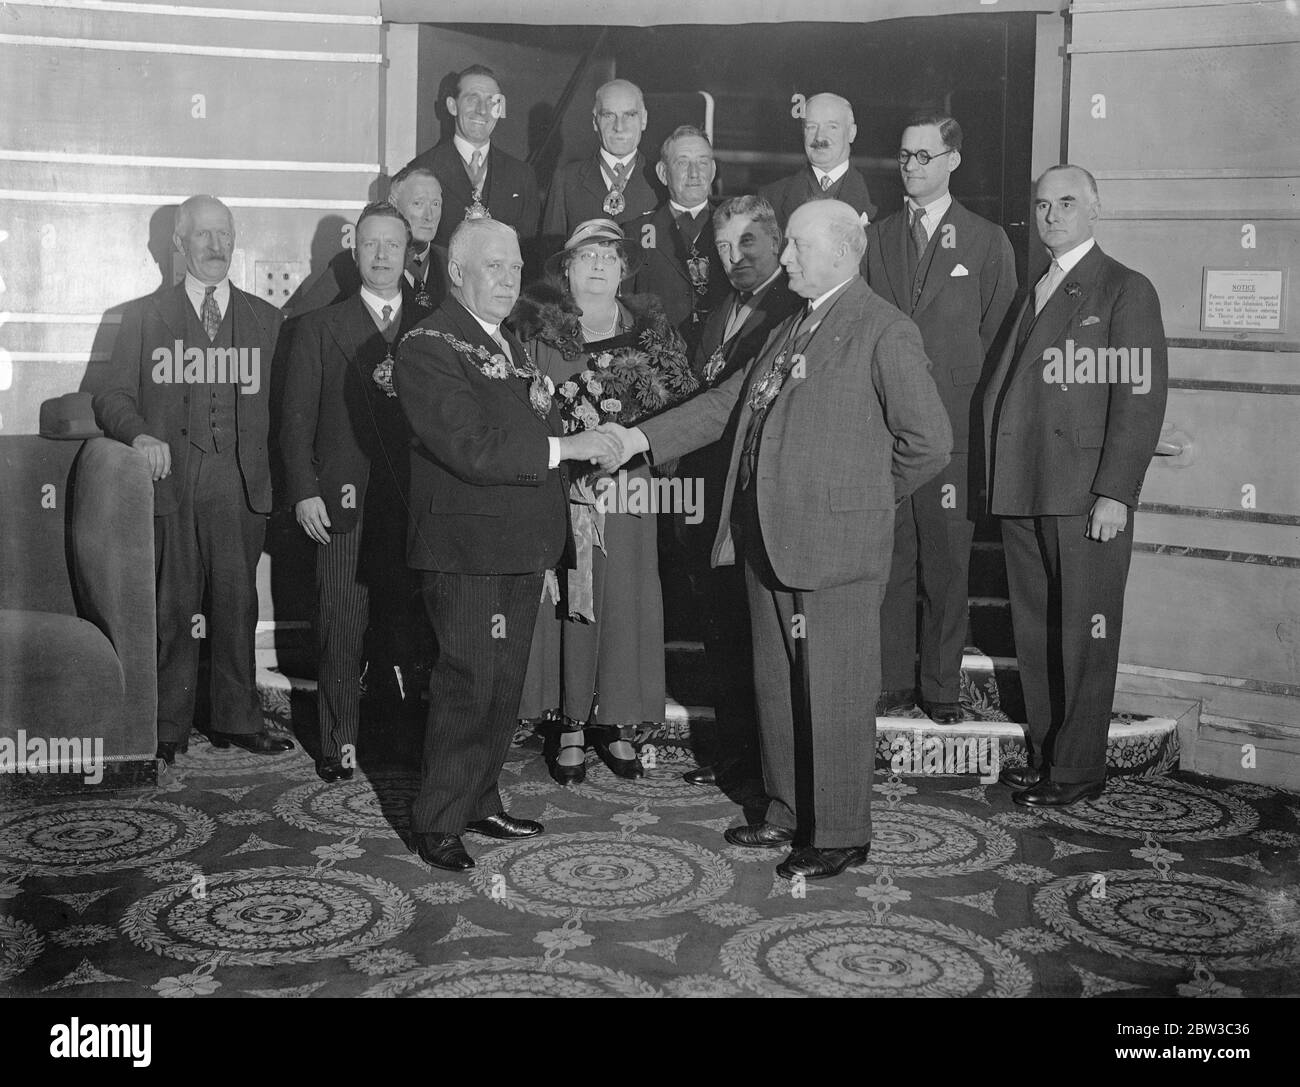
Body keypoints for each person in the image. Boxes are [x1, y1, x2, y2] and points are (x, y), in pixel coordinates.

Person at [600, 200, 951, 880]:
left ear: (845, 251)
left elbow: (930, 444)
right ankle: (788, 808)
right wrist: (636, 439)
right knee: (778, 687)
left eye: (795, 245)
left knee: (837, 691)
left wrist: (857, 502)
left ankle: (842, 830)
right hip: (767, 541)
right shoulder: (790, 323)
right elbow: (725, 404)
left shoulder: (885, 329)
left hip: (835, 550)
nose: (782, 257)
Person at [393, 218, 622, 872]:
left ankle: (479, 797)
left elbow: (529, 426)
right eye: (494, 266)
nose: (509, 277)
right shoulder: (428, 344)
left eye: (516, 266)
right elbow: (472, 447)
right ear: (456, 272)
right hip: (464, 548)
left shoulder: (511, 343)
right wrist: (566, 446)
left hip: (520, 543)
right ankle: (437, 818)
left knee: (502, 683)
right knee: (467, 681)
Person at [983, 165, 1167, 808]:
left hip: (1085, 494)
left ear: (1095, 209)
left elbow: (1139, 401)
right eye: (1040, 205)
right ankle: (1045, 755)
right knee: (1035, 632)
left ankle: (1079, 768)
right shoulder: (1036, 288)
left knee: (1083, 637)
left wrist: (1116, 493)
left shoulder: (1123, 289)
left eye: (1066, 203)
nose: (1051, 215)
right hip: (1025, 485)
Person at [93, 195, 292, 766]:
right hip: (171, 477)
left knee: (237, 602)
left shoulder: (264, 319)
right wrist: (140, 436)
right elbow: (111, 396)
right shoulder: (141, 316)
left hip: (239, 478)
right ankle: (166, 726)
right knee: (173, 605)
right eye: (202, 236)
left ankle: (237, 719)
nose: (215, 246)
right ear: (178, 245)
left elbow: (288, 407)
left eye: (223, 235)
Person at [512, 219, 685, 785]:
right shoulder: (538, 333)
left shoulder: (653, 334)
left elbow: (679, 411)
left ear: (625, 269)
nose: (598, 265)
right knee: (569, 598)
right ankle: (567, 722)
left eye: (610, 256)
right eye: (586, 255)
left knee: (625, 598)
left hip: (631, 490)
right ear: (565, 268)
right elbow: (523, 411)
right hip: (564, 491)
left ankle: (615, 722)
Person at [867, 113, 1017, 723]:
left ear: (953, 160)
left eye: (924, 156)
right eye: (904, 156)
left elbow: (1000, 337)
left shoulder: (985, 240)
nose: (911, 166)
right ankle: (892, 679)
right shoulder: (875, 237)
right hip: (887, 430)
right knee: (892, 557)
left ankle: (940, 688)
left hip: (952, 433)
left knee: (948, 565)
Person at [280, 202, 433, 783]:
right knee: (341, 624)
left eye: (393, 245)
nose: (382, 255)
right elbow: (295, 423)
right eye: (370, 244)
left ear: (409, 252)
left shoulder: (433, 323)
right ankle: (339, 742)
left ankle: (398, 740)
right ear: (355, 251)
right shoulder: (319, 326)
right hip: (341, 504)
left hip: (413, 505)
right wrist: (303, 491)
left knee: (406, 626)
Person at [679, 194, 801, 788]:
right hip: (706, 493)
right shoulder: (723, 303)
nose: (735, 257)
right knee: (720, 628)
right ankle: (733, 753)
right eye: (724, 247)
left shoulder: (790, 307)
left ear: (776, 241)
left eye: (747, 242)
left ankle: (760, 763)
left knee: (755, 637)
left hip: (752, 498)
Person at [404, 65, 541, 250]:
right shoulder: (421, 169)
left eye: (491, 102)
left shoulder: (522, 176)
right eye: (472, 99)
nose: (482, 110)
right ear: (452, 106)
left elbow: (529, 252)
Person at [288, 166, 447, 316]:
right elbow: (299, 325)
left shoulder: (453, 263)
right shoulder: (351, 265)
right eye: (418, 203)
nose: (429, 215)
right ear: (393, 203)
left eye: (435, 204)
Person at [628, 125, 730, 352]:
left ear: (712, 171)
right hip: (653, 368)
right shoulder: (635, 233)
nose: (695, 173)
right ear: (663, 173)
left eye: (702, 162)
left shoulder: (734, 228)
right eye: (683, 162)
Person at [540, 79, 664, 249]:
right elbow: (550, 256)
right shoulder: (566, 179)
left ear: (644, 120)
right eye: (608, 115)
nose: (619, 127)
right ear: (594, 121)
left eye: (629, 115)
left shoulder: (662, 179)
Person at [759, 93, 876, 229]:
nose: (819, 137)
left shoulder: (883, 199)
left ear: (851, 133)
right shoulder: (771, 198)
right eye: (811, 127)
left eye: (832, 126)